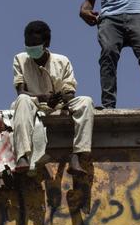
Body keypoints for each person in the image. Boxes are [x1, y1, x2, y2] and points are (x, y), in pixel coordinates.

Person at [11, 20, 94, 175]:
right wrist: (42, 97)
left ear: (46, 43)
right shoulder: (20, 59)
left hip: (59, 105)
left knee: (86, 101)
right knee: (21, 100)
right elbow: (21, 91)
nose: (31, 50)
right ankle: (22, 156)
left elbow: (70, 92)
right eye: (28, 46)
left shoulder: (62, 61)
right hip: (33, 104)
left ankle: (76, 155)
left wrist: (60, 97)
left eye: (35, 46)